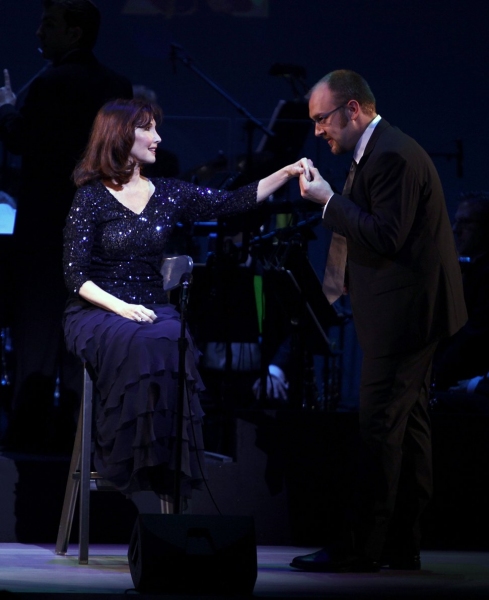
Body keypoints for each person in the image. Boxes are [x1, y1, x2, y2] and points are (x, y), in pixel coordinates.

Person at [62, 97, 308, 505]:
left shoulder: (169, 193)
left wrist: (285, 172)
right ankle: (122, 456)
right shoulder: (89, 198)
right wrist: (120, 308)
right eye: (149, 129)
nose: (158, 138)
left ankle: (162, 463)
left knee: (172, 337)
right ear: (122, 135)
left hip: (149, 306)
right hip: (97, 310)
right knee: (142, 340)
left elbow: (230, 203)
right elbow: (76, 277)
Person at [289, 70, 467, 572]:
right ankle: (400, 545)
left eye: (322, 119)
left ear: (352, 109)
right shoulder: (379, 150)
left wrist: (327, 201)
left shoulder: (390, 154)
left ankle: (359, 548)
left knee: (379, 430)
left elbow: (386, 235)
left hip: (406, 317)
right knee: (407, 430)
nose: (318, 130)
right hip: (407, 313)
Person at [0, 0, 133, 452]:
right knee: (84, 348)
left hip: (44, 238)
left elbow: (21, 139)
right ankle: (78, 449)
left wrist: (5, 108)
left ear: (73, 33)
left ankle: (27, 447)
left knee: (35, 347)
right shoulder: (117, 86)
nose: (38, 33)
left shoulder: (50, 84)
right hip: (97, 238)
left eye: (48, 24)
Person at [432, 192, 489, 391]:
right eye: (456, 222)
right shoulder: (468, 269)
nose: (456, 230)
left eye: (466, 223)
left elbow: (474, 336)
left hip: (467, 383)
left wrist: (435, 376)